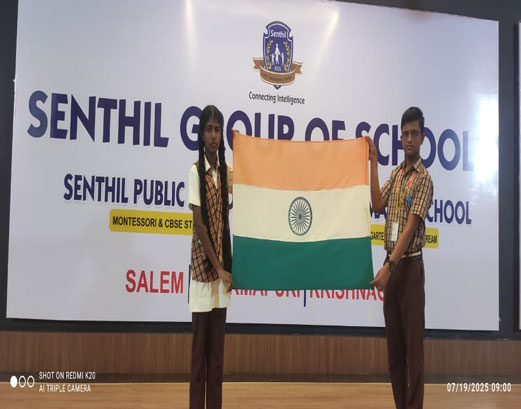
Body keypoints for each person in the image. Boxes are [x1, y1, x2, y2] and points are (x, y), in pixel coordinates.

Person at [365, 107, 433, 409]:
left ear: (422, 137)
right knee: (395, 353)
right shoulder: (395, 174)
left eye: (414, 133)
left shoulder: (423, 179)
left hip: (409, 269)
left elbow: (409, 229)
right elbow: (377, 203)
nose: (409, 139)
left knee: (413, 354)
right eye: (405, 134)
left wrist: (389, 267)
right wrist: (374, 162)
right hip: (391, 268)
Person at [188, 104, 233, 409]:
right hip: (204, 275)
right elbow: (200, 226)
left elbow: (252, 188)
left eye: (217, 129)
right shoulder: (195, 172)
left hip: (222, 275)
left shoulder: (226, 172)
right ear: (201, 135)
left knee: (217, 361)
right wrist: (218, 268)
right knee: (198, 360)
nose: (213, 135)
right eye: (208, 129)